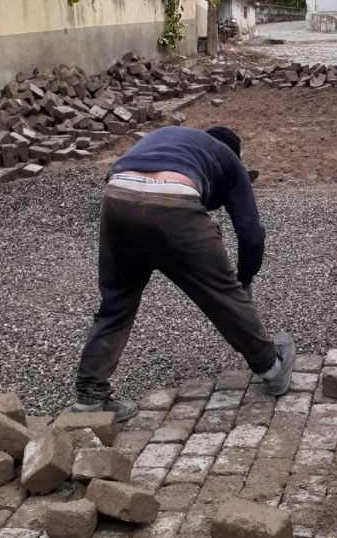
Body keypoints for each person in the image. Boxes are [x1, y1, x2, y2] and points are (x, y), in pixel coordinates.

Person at [73, 125, 296, 421]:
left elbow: (121, 175)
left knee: (116, 303)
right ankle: (272, 367)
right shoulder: (228, 158)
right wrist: (244, 279)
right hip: (173, 203)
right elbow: (251, 234)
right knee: (223, 294)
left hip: (118, 196)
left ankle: (90, 395)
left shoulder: (168, 138)